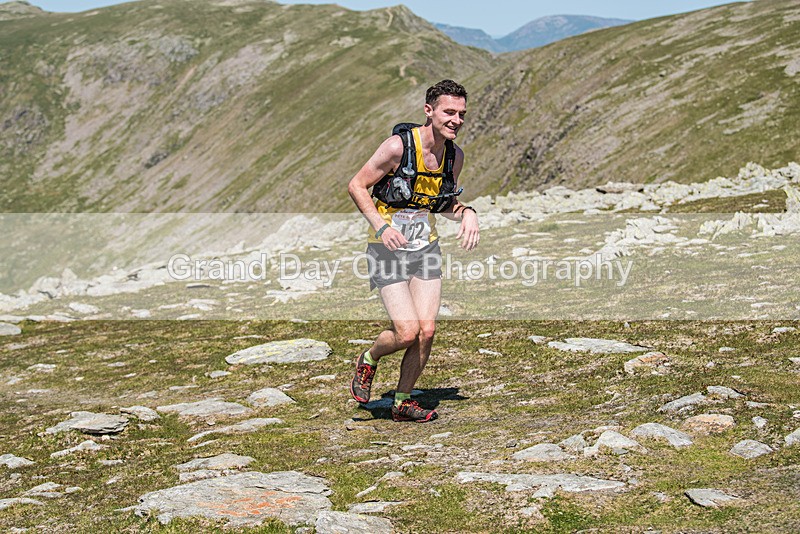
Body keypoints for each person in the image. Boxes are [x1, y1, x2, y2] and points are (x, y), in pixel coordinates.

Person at [347, 79, 480, 422]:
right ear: (428, 111)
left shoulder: (454, 156)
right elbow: (357, 185)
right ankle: (370, 358)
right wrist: (382, 227)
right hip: (387, 249)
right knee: (407, 332)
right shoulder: (397, 147)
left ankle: (403, 401)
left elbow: (443, 203)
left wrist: (467, 212)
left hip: (425, 249)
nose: (456, 120)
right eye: (449, 112)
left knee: (427, 330)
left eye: (462, 114)